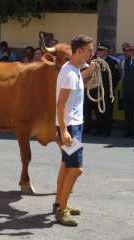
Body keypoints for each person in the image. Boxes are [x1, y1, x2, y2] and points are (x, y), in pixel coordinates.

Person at [54, 34, 95, 227]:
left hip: (72, 124)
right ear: (79, 51)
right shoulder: (70, 73)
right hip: (70, 126)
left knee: (65, 165)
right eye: (89, 50)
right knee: (76, 169)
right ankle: (62, 210)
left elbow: (78, 79)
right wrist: (64, 131)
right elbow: (61, 104)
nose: (92, 53)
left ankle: (59, 203)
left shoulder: (73, 70)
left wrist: (90, 70)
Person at [93, 43, 120, 136]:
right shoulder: (95, 61)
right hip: (97, 90)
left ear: (106, 51)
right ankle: (99, 129)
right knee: (98, 110)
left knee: (107, 111)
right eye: (98, 50)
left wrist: (111, 89)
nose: (99, 52)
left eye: (101, 50)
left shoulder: (112, 62)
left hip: (108, 91)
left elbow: (116, 77)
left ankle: (106, 130)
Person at [122, 44, 134, 137]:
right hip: (127, 92)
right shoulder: (126, 61)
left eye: (130, 50)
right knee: (128, 113)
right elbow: (124, 77)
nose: (127, 52)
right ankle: (128, 131)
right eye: (126, 50)